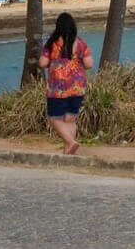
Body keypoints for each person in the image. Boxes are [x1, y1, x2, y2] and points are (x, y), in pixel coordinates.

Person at [38, 12, 93, 155]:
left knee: (54, 119)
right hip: (77, 87)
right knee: (70, 119)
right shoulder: (80, 43)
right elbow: (89, 64)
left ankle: (71, 142)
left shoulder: (52, 43)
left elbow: (43, 63)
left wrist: (54, 61)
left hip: (58, 88)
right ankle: (68, 152)